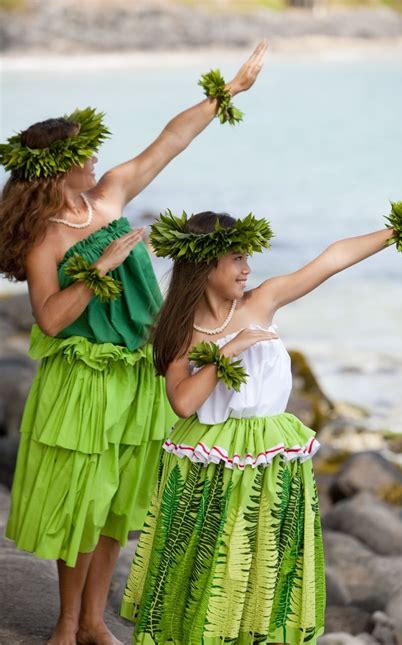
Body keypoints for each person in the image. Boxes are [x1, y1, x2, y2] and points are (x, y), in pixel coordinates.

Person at [0, 41, 267, 645]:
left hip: (139, 375)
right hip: (85, 381)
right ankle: (66, 624)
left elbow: (170, 140)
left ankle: (95, 621)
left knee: (119, 504)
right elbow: (47, 319)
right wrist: (103, 269)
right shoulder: (47, 240)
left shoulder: (113, 193)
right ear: (58, 167)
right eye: (83, 153)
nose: (96, 158)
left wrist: (227, 92)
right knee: (82, 504)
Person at [121, 195, 402, 644]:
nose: (246, 268)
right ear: (204, 266)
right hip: (212, 459)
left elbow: (331, 259)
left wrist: (400, 231)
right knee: (211, 562)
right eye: (236, 258)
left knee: (267, 561)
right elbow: (182, 403)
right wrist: (223, 356)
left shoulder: (264, 300)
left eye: (246, 258)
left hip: (269, 455)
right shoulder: (181, 329)